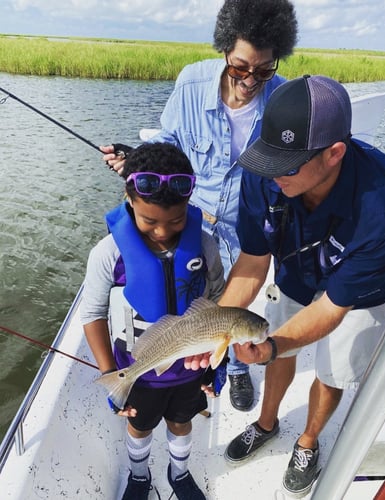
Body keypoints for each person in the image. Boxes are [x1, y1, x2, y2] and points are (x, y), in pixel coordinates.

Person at [186, 75, 385, 497]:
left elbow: (333, 308)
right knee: (275, 345)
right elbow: (253, 261)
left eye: (286, 166)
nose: (273, 177)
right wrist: (215, 330)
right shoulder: (266, 172)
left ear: (334, 153)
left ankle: (308, 441)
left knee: (333, 368)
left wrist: (273, 344)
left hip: (361, 293)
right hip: (296, 267)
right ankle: (266, 423)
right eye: (268, 162)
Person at [101, 0, 298, 412]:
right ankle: (195, 368)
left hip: (246, 226)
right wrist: (137, 162)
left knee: (239, 317)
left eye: (264, 70)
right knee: (197, 306)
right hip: (196, 222)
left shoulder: (282, 102)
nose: (250, 80)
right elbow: (168, 144)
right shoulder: (191, 82)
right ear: (224, 49)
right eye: (240, 67)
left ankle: (236, 369)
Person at [80, 142, 225, 500]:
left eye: (175, 221)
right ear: (129, 200)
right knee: (139, 426)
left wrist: (221, 362)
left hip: (191, 367)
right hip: (138, 368)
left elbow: (220, 300)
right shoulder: (108, 253)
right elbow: (93, 314)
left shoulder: (204, 246)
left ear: (188, 208)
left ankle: (179, 473)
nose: (162, 231)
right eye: (149, 221)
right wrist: (113, 377)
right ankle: (139, 475)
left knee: (182, 420)